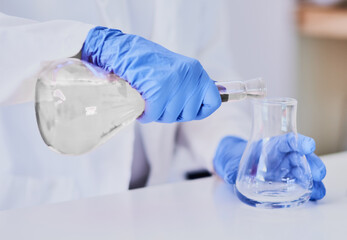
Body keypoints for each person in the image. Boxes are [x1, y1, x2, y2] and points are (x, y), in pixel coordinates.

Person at [0, 0, 325, 210]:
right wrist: (87, 45)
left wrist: (231, 144)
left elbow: (203, 72)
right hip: (37, 206)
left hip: (146, 207)